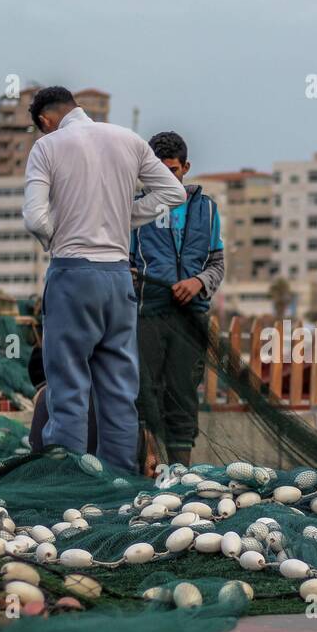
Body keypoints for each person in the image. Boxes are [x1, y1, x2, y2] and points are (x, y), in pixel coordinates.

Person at [22, 86, 185, 471]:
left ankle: (71, 478)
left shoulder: (47, 148)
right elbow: (173, 192)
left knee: (68, 385)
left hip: (72, 274)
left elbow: (34, 218)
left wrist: (56, 236)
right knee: (118, 389)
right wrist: (126, 216)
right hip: (118, 278)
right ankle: (118, 482)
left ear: (45, 121)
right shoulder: (127, 140)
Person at [129, 131, 225, 471]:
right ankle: (148, 462)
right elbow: (124, 263)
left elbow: (217, 264)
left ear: (186, 167)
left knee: (183, 393)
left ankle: (180, 471)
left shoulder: (207, 210)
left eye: (174, 170)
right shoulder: (136, 210)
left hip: (191, 316)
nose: (168, 177)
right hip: (149, 313)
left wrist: (197, 282)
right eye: (160, 170)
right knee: (145, 390)